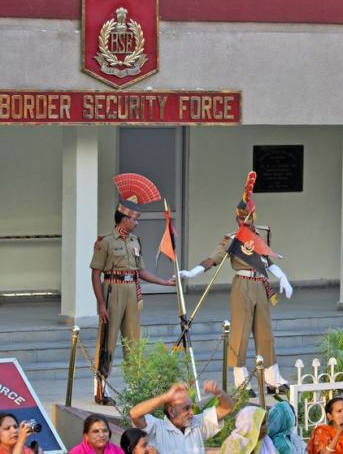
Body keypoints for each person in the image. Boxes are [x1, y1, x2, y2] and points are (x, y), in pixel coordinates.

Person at [179, 171, 293, 394]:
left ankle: (273, 379)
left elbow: (266, 261)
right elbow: (213, 259)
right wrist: (192, 272)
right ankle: (241, 381)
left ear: (254, 216)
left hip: (261, 284)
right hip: (242, 285)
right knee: (240, 333)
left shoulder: (262, 234)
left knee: (265, 333)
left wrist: (283, 277)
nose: (244, 221)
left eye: (247, 216)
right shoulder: (232, 239)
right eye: (240, 218)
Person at [91, 173, 175, 405]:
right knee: (107, 341)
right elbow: (96, 273)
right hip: (112, 290)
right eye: (134, 219)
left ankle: (135, 388)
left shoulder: (135, 241)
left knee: (133, 342)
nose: (136, 223)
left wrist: (163, 282)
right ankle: (100, 390)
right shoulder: (106, 242)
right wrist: (100, 303)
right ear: (124, 218)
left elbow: (141, 271)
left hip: (131, 291)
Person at [130, 381, 233, 454]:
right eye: (186, 408)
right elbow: (134, 414)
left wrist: (218, 392)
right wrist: (166, 397)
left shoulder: (197, 423)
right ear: (171, 411)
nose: (192, 412)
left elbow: (226, 408)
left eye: (191, 407)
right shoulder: (157, 428)